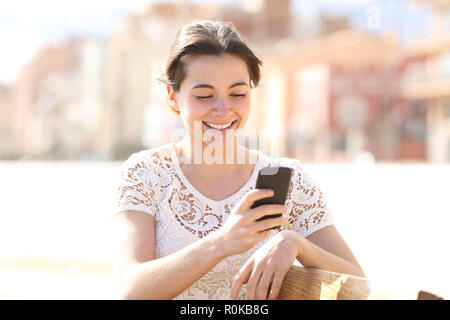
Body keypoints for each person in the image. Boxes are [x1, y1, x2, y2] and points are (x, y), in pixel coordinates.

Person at [114, 20, 365, 300]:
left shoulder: (288, 179)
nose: (223, 110)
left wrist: (296, 244)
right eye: (204, 95)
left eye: (237, 94)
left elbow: (357, 286)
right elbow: (129, 290)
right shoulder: (146, 173)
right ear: (173, 97)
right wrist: (220, 243)